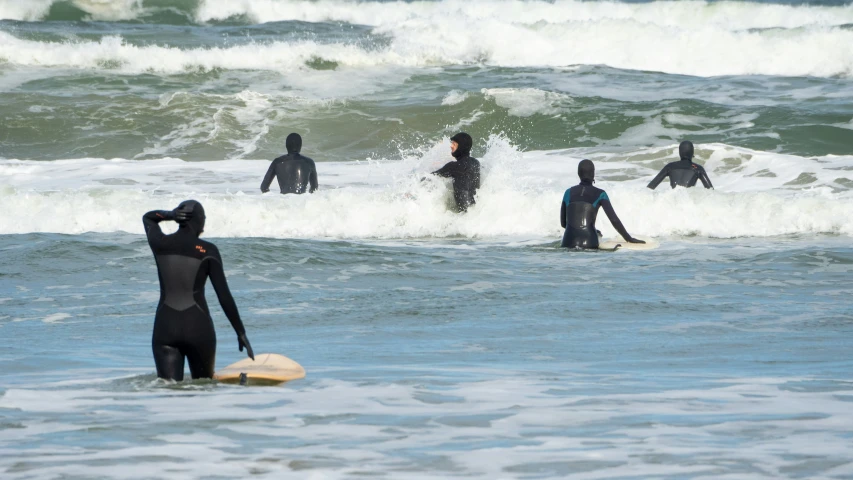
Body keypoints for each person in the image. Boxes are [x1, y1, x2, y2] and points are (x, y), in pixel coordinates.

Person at [143, 200, 254, 381]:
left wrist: (170, 215)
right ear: (200, 221)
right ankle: (238, 387)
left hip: (165, 329)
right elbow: (223, 295)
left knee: (168, 391)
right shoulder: (208, 250)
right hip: (198, 329)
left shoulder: (161, 243)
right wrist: (240, 332)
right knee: (204, 387)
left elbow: (148, 218)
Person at [561, 159, 645, 249]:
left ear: (578, 174)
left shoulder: (568, 192)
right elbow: (614, 220)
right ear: (593, 173)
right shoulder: (601, 194)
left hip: (568, 242)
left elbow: (563, 223)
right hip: (590, 242)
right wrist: (629, 239)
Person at [431, 132, 481, 212]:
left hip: (464, 215)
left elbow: (430, 178)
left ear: (461, 147)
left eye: (454, 144)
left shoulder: (453, 166)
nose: (451, 146)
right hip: (476, 212)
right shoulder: (475, 163)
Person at [647, 140, 713, 190]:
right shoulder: (698, 168)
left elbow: (650, 187)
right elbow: (711, 191)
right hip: (688, 202)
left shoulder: (670, 166)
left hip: (672, 201)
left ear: (679, 153)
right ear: (692, 153)